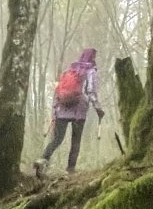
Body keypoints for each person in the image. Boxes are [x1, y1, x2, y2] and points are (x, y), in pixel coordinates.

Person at [34, 47, 105, 176]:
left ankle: (42, 159)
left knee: (57, 139)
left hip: (62, 110)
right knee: (75, 141)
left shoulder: (69, 70)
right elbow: (91, 92)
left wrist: (55, 110)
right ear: (92, 58)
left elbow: (58, 91)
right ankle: (70, 170)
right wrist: (98, 108)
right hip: (79, 112)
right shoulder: (91, 72)